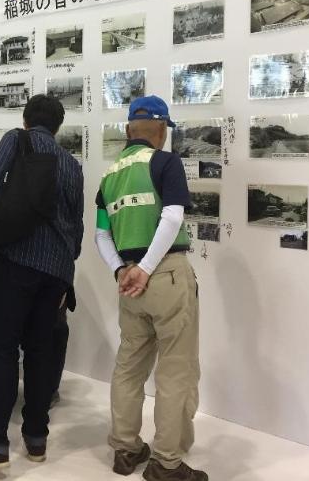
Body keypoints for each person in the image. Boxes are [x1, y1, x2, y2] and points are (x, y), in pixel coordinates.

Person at [0, 94, 84, 473]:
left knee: (1, 349)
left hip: (16, 262)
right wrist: (63, 269)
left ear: (26, 120)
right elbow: (76, 228)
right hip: (56, 270)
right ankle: (36, 438)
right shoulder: (72, 165)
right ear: (57, 127)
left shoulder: (16, 140)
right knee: (42, 352)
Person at [95, 96, 206, 481]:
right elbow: (173, 215)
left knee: (129, 367)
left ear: (129, 130)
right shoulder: (165, 162)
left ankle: (125, 450)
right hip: (166, 275)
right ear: (160, 131)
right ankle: (167, 463)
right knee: (175, 372)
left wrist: (121, 271)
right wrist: (146, 268)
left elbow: (100, 234)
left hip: (129, 284)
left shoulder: (109, 177)